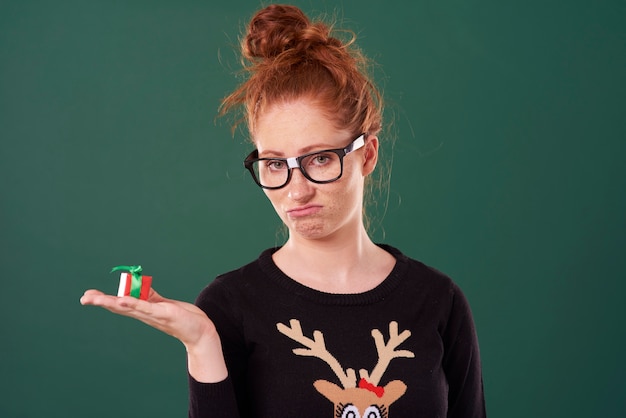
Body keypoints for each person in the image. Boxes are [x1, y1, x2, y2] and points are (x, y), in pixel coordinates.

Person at [80, 4, 486, 417]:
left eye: (320, 159)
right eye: (275, 164)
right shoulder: (229, 306)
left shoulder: (438, 300)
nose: (297, 189)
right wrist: (202, 343)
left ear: (367, 155)